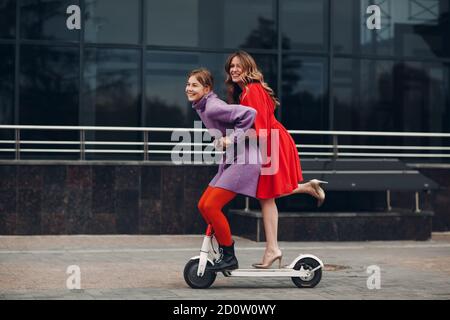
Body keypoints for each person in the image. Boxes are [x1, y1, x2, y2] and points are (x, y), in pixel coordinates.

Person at [224, 51, 327, 269]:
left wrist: (231, 140)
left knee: (266, 194)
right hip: (272, 142)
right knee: (266, 195)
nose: (233, 69)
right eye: (231, 66)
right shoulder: (251, 90)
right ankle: (274, 247)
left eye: (238, 65)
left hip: (272, 144)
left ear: (247, 67)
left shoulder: (250, 92)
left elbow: (259, 132)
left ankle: (273, 248)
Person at [186, 68, 261, 272]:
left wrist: (231, 138)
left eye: (194, 85)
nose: (189, 88)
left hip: (245, 161)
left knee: (211, 207)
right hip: (231, 161)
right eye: (188, 84)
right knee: (203, 205)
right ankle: (224, 252)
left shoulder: (212, 107)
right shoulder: (203, 106)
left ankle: (229, 255)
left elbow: (250, 113)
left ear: (207, 88)